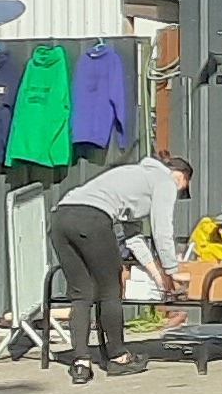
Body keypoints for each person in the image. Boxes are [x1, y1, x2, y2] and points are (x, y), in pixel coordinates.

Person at [49, 151, 192, 376]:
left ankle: (81, 364)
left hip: (60, 218)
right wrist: (173, 270)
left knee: (81, 294)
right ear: (180, 176)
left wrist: (158, 275)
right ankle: (118, 357)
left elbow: (133, 237)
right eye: (182, 188)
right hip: (93, 219)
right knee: (110, 291)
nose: (178, 192)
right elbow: (162, 229)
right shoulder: (165, 181)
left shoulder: (134, 176)